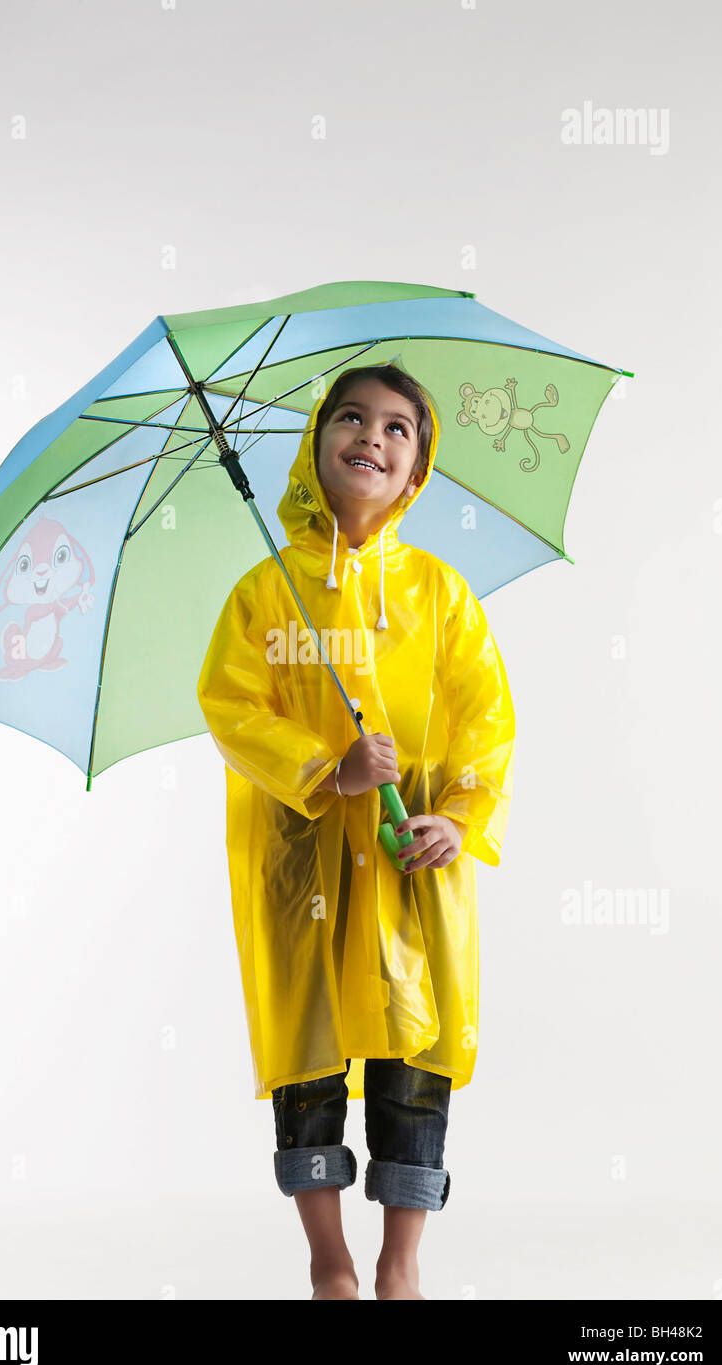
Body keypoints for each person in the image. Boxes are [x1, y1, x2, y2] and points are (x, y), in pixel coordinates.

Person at [196, 363, 516, 1299]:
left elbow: (484, 717)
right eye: (350, 418)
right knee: (310, 1055)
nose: (371, 437)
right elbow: (229, 705)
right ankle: (328, 1257)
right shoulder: (268, 593)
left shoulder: (439, 594)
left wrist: (459, 816)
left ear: (416, 471)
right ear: (315, 443)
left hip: (409, 856)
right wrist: (325, 769)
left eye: (396, 429)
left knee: (414, 1055)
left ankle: (401, 1260)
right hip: (302, 861)